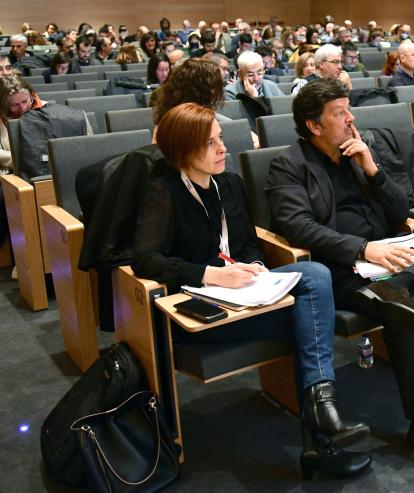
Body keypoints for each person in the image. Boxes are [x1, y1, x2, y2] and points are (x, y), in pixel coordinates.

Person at [133, 102, 371, 480]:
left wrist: (255, 265)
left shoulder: (230, 184)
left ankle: (320, 423)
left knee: (315, 274)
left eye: (221, 139)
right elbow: (146, 260)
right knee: (307, 319)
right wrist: (210, 274)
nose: (223, 149)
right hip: (204, 313)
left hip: (249, 298)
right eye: (211, 144)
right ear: (183, 152)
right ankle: (320, 433)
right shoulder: (163, 192)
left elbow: (246, 244)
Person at [266, 79, 414, 478]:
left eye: (349, 108)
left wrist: (372, 169)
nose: (351, 118)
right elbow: (299, 228)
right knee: (403, 305)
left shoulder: (356, 153)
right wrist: (364, 249)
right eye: (340, 113)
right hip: (345, 272)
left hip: (391, 259)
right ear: (314, 125)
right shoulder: (288, 165)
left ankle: (398, 290)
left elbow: (401, 212)